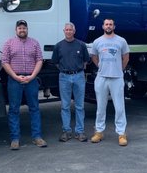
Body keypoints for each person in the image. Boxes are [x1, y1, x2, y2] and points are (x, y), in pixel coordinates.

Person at [1, 20, 47, 150]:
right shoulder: (9, 43)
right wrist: (15, 76)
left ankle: (37, 137)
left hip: (31, 79)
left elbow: (39, 60)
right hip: (14, 79)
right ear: (16, 30)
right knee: (14, 109)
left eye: (24, 28)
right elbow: (5, 62)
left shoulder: (35, 43)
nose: (22, 30)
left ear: (27, 29)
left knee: (34, 108)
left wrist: (32, 76)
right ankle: (15, 139)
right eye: (20, 28)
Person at [90, 18, 130, 146]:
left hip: (117, 78)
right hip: (101, 77)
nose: (108, 26)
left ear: (114, 26)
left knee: (119, 107)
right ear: (103, 26)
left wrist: (120, 69)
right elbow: (94, 56)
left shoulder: (121, 41)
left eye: (110, 24)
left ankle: (121, 133)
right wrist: (100, 67)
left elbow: (126, 57)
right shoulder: (97, 41)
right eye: (106, 24)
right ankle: (99, 132)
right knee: (101, 107)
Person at [51, 22, 90, 142]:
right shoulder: (58, 46)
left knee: (80, 105)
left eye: (70, 30)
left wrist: (77, 71)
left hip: (78, 76)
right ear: (64, 31)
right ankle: (66, 131)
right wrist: (65, 71)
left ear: (74, 31)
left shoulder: (81, 45)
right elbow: (56, 62)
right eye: (66, 30)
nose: (68, 32)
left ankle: (80, 132)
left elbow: (85, 61)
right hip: (64, 76)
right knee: (65, 106)